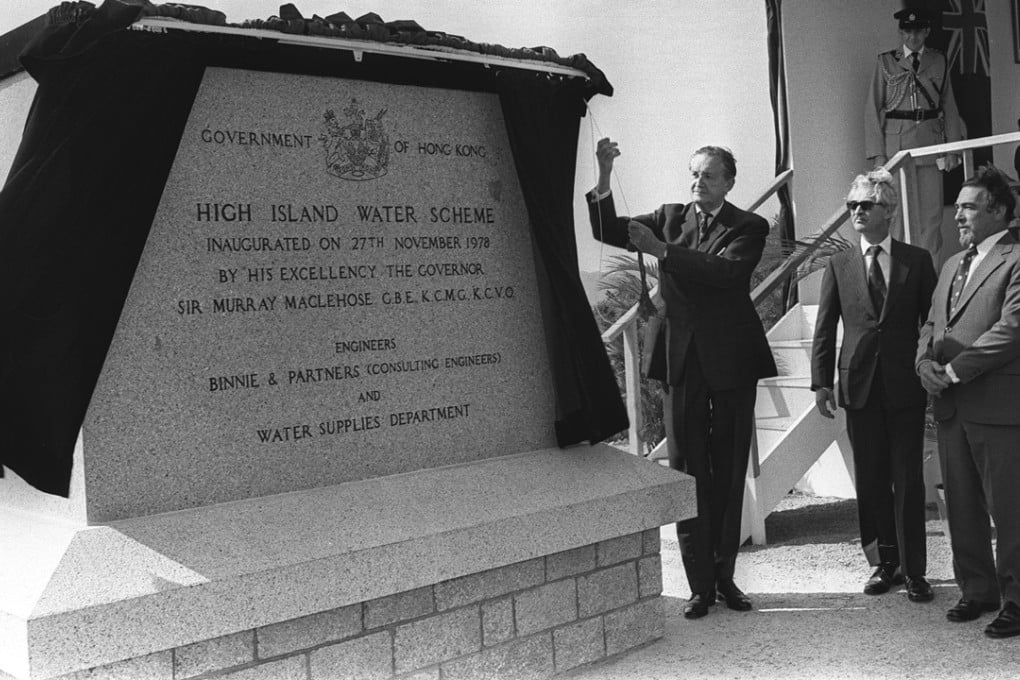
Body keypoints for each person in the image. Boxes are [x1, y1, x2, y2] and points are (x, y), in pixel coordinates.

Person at [587, 139, 777, 619]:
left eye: (708, 176)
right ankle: (700, 587)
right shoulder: (670, 216)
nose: (697, 183)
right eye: (693, 174)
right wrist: (606, 176)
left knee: (730, 467)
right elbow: (609, 229)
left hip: (732, 360)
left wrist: (664, 254)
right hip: (680, 359)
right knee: (688, 468)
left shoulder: (749, 226)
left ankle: (726, 576)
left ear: (729, 182)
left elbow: (726, 273)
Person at [810, 169, 937, 602]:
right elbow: (825, 327)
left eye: (866, 205)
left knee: (908, 479)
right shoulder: (840, 264)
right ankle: (884, 564)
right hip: (858, 385)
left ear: (889, 211)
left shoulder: (915, 261)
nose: (857, 213)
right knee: (871, 478)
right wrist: (820, 383)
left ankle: (915, 571)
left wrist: (930, 367)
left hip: (905, 386)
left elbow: (932, 323)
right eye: (852, 206)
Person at [915, 165, 1020, 638]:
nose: (958, 215)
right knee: (961, 505)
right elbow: (931, 325)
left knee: (1011, 508)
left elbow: (1013, 328)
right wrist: (924, 366)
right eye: (957, 206)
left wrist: (955, 370)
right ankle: (978, 590)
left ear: (998, 210)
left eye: (969, 207)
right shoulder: (951, 264)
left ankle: (1017, 600)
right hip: (951, 408)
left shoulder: (1016, 258)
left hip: (998, 407)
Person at [864, 6, 965, 265]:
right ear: (900, 32)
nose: (913, 37)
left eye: (918, 31)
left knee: (931, 219)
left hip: (930, 147)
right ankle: (900, 279)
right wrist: (878, 156)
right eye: (907, 31)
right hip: (896, 150)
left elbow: (949, 106)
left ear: (927, 31)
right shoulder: (886, 62)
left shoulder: (938, 60)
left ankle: (929, 279)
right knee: (897, 217)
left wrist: (953, 149)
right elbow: (872, 108)